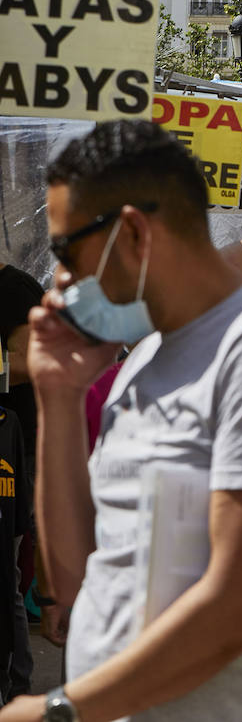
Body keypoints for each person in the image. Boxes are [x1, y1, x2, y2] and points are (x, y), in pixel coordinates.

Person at [17, 120, 242, 721]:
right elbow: (79, 583)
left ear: (134, 233)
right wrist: (59, 399)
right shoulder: (145, 354)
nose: (60, 279)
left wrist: (61, 710)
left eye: (67, 251)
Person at [0, 259, 40, 697]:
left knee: (4, 571)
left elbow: (31, 362)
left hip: (15, 450)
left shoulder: (14, 289)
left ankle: (17, 683)